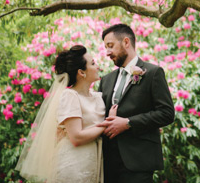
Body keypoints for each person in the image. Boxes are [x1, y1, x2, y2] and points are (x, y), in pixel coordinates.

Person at [16, 45, 110, 183]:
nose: (98, 67)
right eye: (93, 63)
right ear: (81, 73)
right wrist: (106, 124)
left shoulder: (97, 97)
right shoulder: (70, 96)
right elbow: (76, 137)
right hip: (73, 165)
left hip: (93, 161)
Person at [98, 23, 175, 183]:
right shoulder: (106, 80)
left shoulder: (153, 73)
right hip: (107, 163)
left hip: (139, 161)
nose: (107, 53)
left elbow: (167, 113)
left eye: (110, 46)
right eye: (106, 47)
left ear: (126, 42)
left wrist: (128, 123)